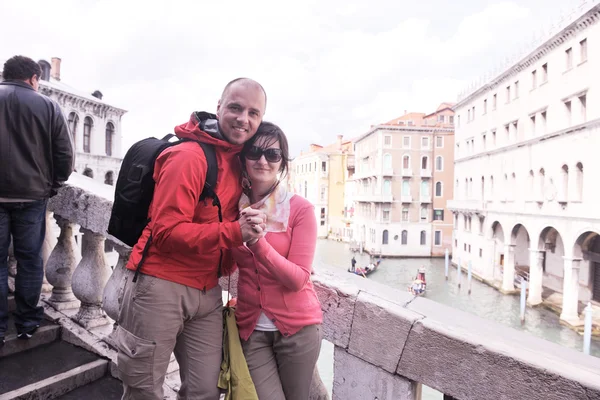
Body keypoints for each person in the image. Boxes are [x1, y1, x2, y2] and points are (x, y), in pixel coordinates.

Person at [115, 78, 268, 400]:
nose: (244, 119)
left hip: (207, 292)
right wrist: (235, 233)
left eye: (254, 113)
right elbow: (166, 231)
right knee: (143, 389)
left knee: (206, 390)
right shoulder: (189, 157)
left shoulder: (238, 160)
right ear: (219, 108)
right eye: (236, 108)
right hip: (160, 287)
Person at [232, 122, 323, 400]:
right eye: (255, 152)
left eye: (272, 155)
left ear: (282, 162)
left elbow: (298, 279)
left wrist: (258, 243)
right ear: (243, 157)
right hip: (251, 328)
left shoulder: (300, 210)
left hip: (299, 330)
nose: (262, 160)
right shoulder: (232, 207)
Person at [0, 56, 74, 347]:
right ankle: (27, 323)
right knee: (30, 261)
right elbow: (64, 156)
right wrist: (53, 184)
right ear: (33, 77)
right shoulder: (48, 106)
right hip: (32, 196)